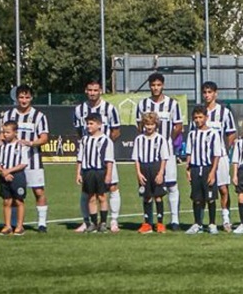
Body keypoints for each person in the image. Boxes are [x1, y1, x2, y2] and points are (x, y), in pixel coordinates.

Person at [135, 72, 183, 230]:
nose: (156, 88)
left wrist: (167, 140)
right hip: (148, 151)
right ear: (150, 86)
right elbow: (139, 126)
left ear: (163, 85)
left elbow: (178, 126)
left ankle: (174, 219)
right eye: (153, 85)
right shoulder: (142, 104)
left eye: (158, 85)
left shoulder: (172, 104)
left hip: (166, 149)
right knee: (148, 186)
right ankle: (148, 222)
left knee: (171, 184)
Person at [0, 84, 50, 231]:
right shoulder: (9, 115)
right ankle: (14, 223)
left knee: (38, 191)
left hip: (32, 161)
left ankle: (42, 223)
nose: (24, 100)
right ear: (16, 98)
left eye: (27, 97)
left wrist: (30, 143)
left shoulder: (39, 116)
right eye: (21, 97)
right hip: (13, 163)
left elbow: (44, 138)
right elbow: (2, 136)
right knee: (14, 194)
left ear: (31, 98)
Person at [73, 79, 121, 232]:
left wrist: (103, 145)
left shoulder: (110, 108)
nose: (93, 93)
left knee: (112, 187)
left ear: (100, 90)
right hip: (88, 161)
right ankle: (87, 221)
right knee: (87, 192)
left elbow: (116, 131)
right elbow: (79, 132)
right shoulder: (79, 110)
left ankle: (113, 221)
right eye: (90, 90)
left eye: (95, 90)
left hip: (105, 158)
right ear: (86, 91)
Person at [200, 81, 237, 232]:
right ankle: (201, 221)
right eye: (205, 92)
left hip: (221, 157)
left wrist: (224, 149)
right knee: (203, 190)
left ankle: (226, 220)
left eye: (210, 92)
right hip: (203, 158)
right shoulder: (200, 112)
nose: (207, 95)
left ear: (216, 93)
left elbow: (231, 133)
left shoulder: (224, 112)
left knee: (223, 188)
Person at [184, 105, 223, 235]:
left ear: (206, 117)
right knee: (197, 198)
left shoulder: (213, 134)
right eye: (195, 117)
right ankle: (197, 223)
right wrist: (188, 170)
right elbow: (189, 153)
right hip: (195, 168)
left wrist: (212, 172)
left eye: (200, 117)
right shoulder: (192, 134)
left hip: (207, 168)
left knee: (210, 198)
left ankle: (212, 224)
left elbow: (217, 154)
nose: (198, 120)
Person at [132, 111, 172, 234]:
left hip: (156, 168)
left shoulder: (160, 139)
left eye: (152, 124)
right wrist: (138, 173)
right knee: (146, 196)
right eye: (147, 125)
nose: (149, 127)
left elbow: (164, 158)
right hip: (144, 168)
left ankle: (160, 223)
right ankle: (147, 223)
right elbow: (136, 158)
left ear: (156, 125)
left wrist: (161, 173)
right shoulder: (139, 139)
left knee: (158, 196)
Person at [75, 113, 114, 233]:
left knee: (102, 197)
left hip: (100, 171)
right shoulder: (85, 140)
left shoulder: (106, 140)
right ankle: (93, 223)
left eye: (91, 123)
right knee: (91, 197)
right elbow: (80, 158)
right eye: (87, 123)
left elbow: (109, 160)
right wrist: (78, 173)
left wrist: (108, 174)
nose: (88, 126)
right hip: (88, 171)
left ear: (99, 125)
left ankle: (103, 222)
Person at [0, 120, 29, 236]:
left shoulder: (20, 145)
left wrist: (10, 170)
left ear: (15, 132)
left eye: (8, 132)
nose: (5, 134)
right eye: (4, 132)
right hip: (4, 175)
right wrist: (4, 172)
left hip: (17, 175)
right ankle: (7, 225)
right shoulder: (2, 146)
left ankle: (19, 226)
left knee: (18, 200)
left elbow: (23, 163)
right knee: (6, 201)